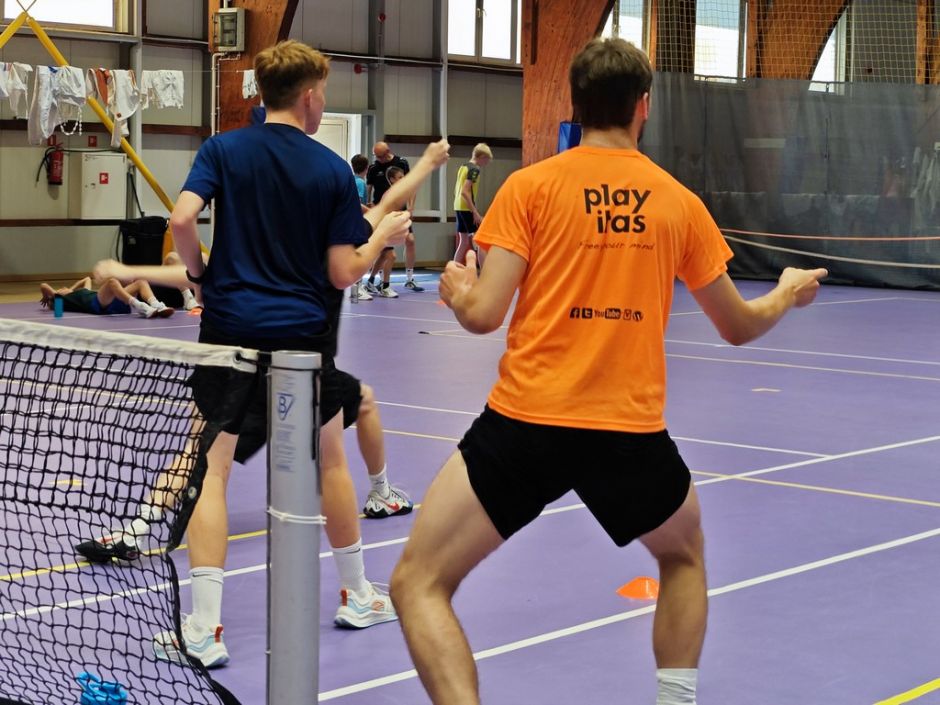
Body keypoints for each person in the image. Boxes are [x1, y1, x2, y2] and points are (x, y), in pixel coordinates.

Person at [389, 38, 827, 705]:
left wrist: (456, 289)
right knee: (682, 557)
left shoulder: (530, 187)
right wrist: (787, 291)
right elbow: (738, 326)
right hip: (627, 433)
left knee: (417, 582)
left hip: (526, 425)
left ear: (575, 104)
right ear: (642, 106)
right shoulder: (678, 202)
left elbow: (483, 315)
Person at [152, 39, 415, 669]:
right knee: (330, 464)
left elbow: (182, 220)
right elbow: (343, 272)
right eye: (324, 93)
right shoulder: (329, 169)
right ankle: (357, 594)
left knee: (213, 471)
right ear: (310, 96)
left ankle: (205, 628)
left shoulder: (222, 149)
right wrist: (382, 233)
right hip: (302, 342)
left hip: (228, 331)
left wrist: (199, 276)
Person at [367, 141, 424, 291]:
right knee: (386, 252)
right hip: (382, 213)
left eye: (380, 156)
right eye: (376, 156)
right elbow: (369, 188)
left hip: (399, 211)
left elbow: (411, 186)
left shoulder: (401, 163)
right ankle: (380, 282)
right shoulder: (374, 168)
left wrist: (410, 208)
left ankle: (409, 278)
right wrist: (369, 206)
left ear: (387, 152)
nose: (378, 159)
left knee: (409, 241)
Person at [39, 276, 175, 318]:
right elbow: (44, 285)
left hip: (114, 301)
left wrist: (71, 289)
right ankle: (141, 307)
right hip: (97, 304)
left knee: (140, 282)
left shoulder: (81, 292)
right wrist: (49, 296)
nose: (63, 287)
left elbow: (86, 279)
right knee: (111, 282)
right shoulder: (60, 300)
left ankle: (157, 305)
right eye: (60, 289)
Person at [363, 165, 405, 298]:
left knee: (383, 256)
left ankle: (370, 282)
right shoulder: (390, 194)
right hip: (382, 226)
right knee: (391, 256)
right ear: (392, 179)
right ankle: (385, 286)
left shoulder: (398, 193)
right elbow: (385, 211)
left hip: (387, 226)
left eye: (403, 177)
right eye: (400, 177)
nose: (403, 179)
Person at [452, 142, 492, 266]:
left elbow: (458, 190)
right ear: (482, 157)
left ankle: (453, 268)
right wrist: (474, 211)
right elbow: (465, 191)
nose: (487, 163)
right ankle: (484, 271)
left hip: (458, 206)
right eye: (487, 160)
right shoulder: (475, 169)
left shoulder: (463, 167)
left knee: (464, 242)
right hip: (466, 208)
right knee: (481, 240)